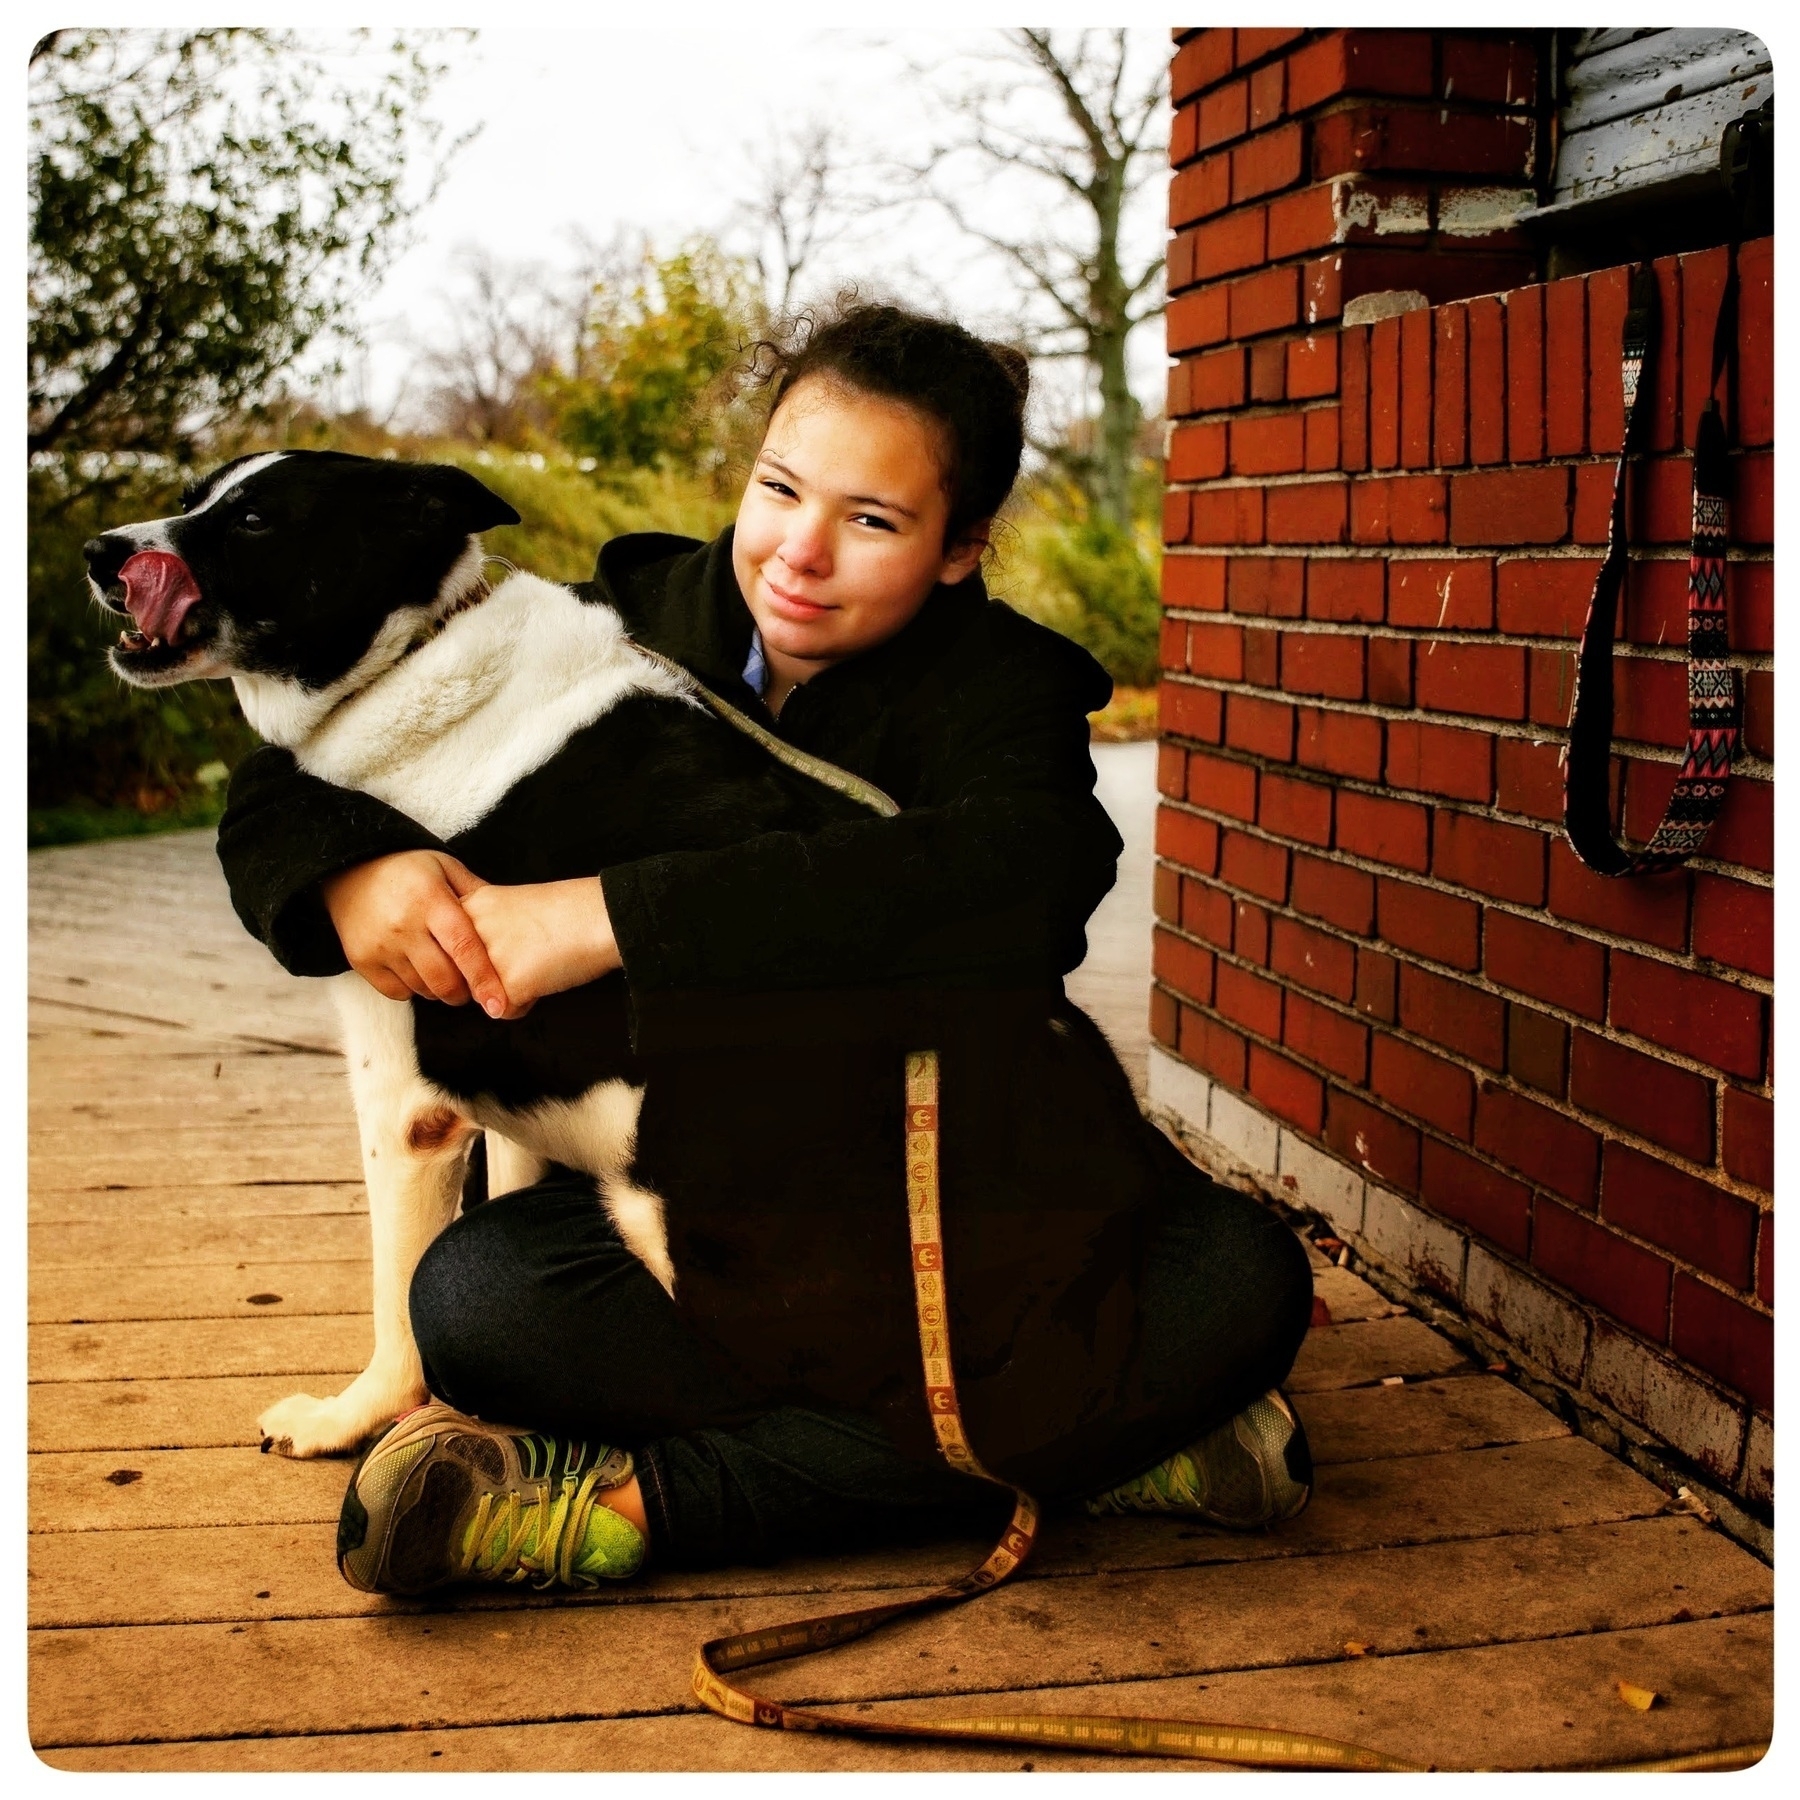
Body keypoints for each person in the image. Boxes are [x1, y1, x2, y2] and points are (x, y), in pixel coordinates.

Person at [217, 302, 1314, 1596]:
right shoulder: (614, 616)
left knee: (1240, 1280)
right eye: (779, 488)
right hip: (688, 1215)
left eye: (873, 520)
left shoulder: (1009, 700)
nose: (800, 551)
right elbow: (296, 766)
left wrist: (608, 915)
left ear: (962, 548)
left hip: (927, 1196)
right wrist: (350, 871)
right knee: (477, 1304)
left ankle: (634, 1507)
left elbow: (1015, 884)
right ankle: (1107, 1454)